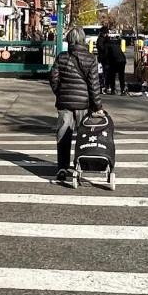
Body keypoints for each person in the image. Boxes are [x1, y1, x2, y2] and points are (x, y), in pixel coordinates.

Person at [49, 27, 103, 185]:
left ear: (69, 40)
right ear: (83, 40)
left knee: (63, 135)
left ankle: (62, 167)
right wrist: (97, 106)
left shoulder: (62, 57)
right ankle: (80, 165)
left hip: (65, 103)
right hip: (83, 104)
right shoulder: (91, 59)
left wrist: (60, 93)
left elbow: (53, 77)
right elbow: (94, 86)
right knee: (83, 137)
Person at [103, 28, 128, 96]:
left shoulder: (107, 45)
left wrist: (105, 62)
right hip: (122, 60)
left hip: (115, 61)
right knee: (121, 76)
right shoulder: (116, 44)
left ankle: (113, 90)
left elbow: (106, 55)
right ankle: (122, 90)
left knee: (112, 75)